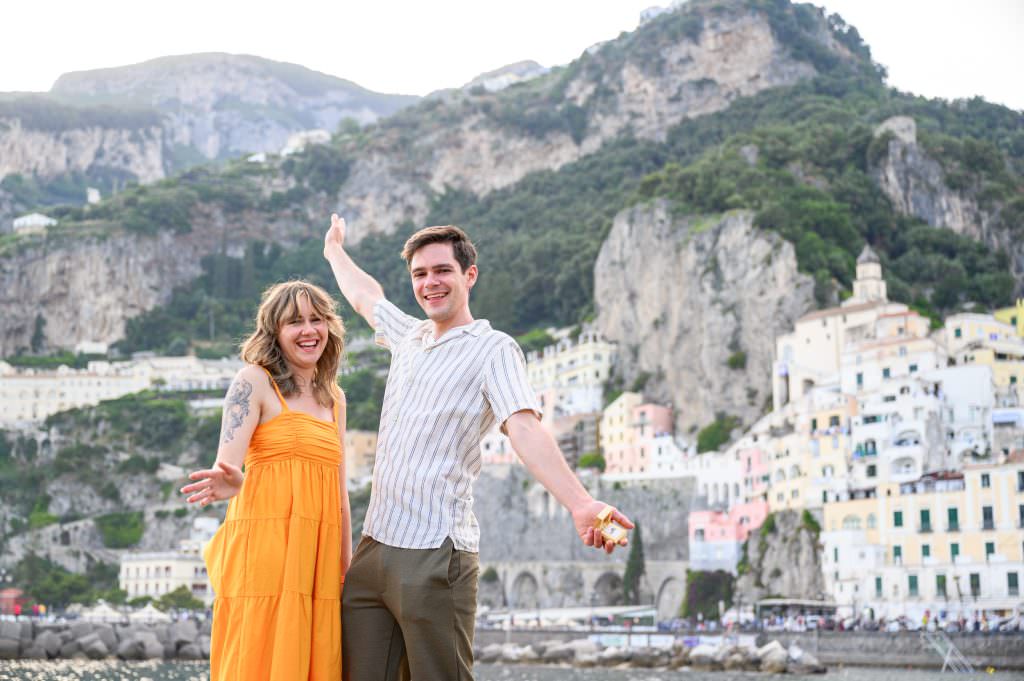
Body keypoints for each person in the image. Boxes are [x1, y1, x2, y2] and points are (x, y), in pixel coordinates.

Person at [323, 214, 633, 681]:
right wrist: (333, 250)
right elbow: (366, 296)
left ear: (469, 275)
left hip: (434, 551)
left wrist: (581, 503)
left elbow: (524, 428)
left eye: (442, 270)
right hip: (373, 547)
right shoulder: (409, 338)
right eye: (420, 274)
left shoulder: (494, 349)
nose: (430, 282)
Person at [180, 281, 351, 681]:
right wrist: (232, 480)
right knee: (259, 658)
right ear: (274, 332)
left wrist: (346, 565)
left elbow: (340, 493)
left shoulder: (335, 398)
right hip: (266, 548)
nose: (309, 330)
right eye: (295, 322)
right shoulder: (253, 381)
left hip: (317, 557)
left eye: (317, 319)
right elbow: (229, 462)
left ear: (330, 326)